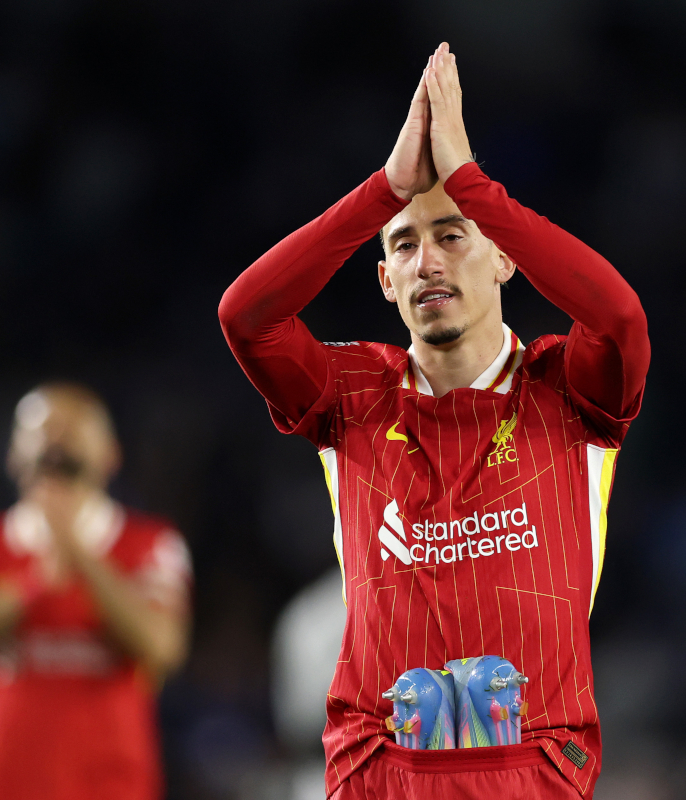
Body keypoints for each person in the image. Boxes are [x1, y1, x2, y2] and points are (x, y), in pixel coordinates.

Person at [219, 42, 649, 799]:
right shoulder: (350, 396)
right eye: (406, 246)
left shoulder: (566, 391)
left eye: (452, 236)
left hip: (533, 770)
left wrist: (475, 188)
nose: (428, 262)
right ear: (385, 280)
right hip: (381, 772)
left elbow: (618, 317)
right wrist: (386, 190)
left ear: (504, 258)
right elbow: (246, 317)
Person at [0, 383, 192, 800]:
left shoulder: (151, 544)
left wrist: (78, 556)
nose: (55, 440)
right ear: (11, 455)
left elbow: (162, 646)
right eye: (42, 429)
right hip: (4, 786)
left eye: (72, 429)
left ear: (110, 454)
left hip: (112, 787)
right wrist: (33, 585)